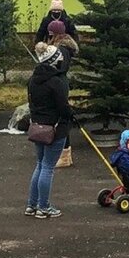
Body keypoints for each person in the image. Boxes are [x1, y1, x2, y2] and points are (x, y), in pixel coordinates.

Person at [25, 42, 73, 219]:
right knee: (47, 167)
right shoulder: (56, 82)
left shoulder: (32, 80)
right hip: (54, 129)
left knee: (40, 164)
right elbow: (63, 107)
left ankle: (32, 204)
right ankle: (44, 207)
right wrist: (71, 114)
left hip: (37, 127)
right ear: (54, 62)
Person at [47, 19, 80, 167]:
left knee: (62, 119)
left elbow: (60, 68)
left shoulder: (62, 50)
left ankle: (65, 154)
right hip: (59, 83)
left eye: (51, 33)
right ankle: (64, 154)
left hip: (59, 84)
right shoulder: (62, 47)